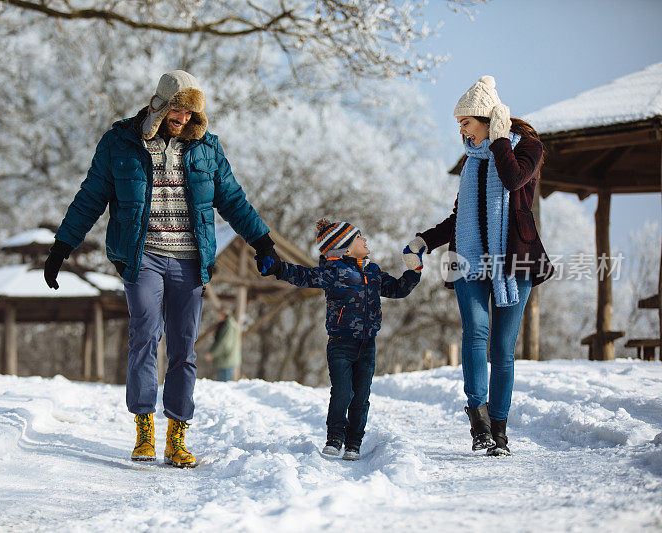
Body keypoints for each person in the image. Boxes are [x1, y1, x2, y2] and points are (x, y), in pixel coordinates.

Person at [43, 70, 279, 468]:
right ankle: (143, 428)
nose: (183, 119)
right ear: (161, 103)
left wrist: (263, 242)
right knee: (144, 336)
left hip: (189, 259)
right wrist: (61, 246)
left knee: (184, 348)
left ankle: (177, 434)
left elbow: (234, 200)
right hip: (143, 255)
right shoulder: (121, 141)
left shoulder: (207, 148)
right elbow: (91, 196)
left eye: (190, 113)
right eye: (178, 110)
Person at [408, 75, 554, 456]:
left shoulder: (527, 149)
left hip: (514, 262)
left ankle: (501, 434)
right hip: (469, 263)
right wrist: (424, 240)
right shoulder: (472, 162)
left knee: (503, 349)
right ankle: (480, 424)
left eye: (466, 123)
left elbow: (512, 178)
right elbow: (461, 217)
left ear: (486, 119)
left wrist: (501, 139)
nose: (461, 132)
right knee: (475, 334)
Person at [265, 218, 422, 460]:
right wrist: (278, 268)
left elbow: (397, 289)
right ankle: (334, 438)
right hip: (341, 344)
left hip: (367, 344)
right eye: (359, 238)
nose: (365, 240)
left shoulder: (373, 271)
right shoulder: (334, 272)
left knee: (361, 396)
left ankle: (354, 443)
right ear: (346, 247)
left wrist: (413, 272)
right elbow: (305, 276)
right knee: (342, 392)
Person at [206, 309, 242, 382]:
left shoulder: (228, 325)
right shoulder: (226, 324)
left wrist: (212, 353)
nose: (218, 316)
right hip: (225, 360)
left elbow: (224, 343)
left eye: (219, 314)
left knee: (223, 386)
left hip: (226, 360)